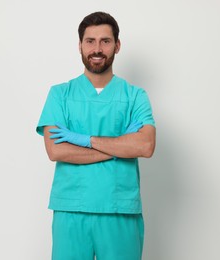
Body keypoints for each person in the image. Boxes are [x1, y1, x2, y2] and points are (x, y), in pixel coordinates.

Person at [36, 11, 156, 260]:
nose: (97, 48)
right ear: (79, 45)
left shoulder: (135, 96)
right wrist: (120, 145)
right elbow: (56, 150)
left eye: (105, 41)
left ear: (117, 45)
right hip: (71, 209)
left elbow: (145, 145)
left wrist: (85, 140)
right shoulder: (60, 94)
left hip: (119, 210)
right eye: (90, 41)